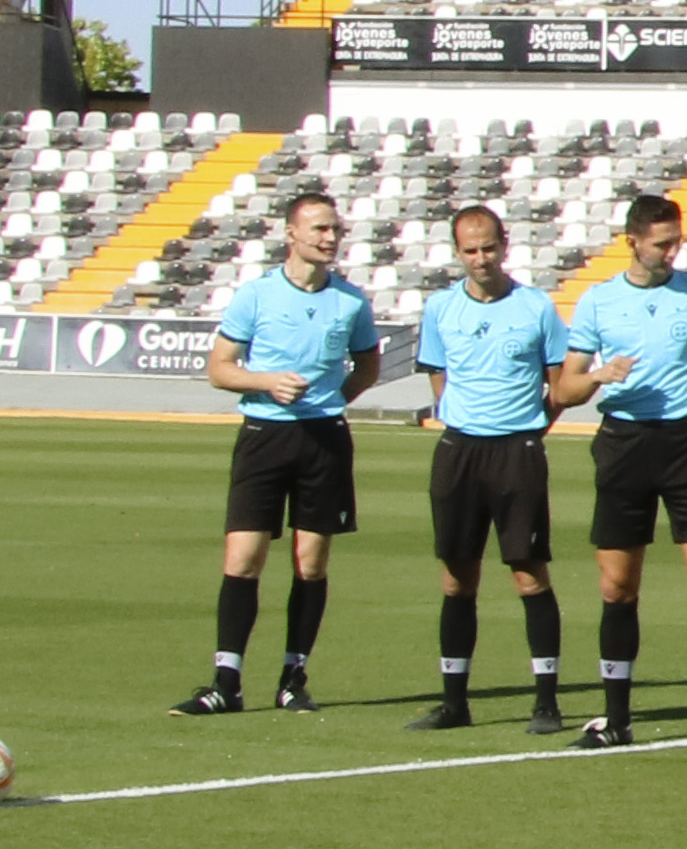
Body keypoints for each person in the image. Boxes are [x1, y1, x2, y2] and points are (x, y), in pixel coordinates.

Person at [568, 191, 687, 750]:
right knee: (617, 585)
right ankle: (615, 717)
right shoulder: (598, 302)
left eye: (677, 241)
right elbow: (565, 388)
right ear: (633, 241)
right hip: (623, 443)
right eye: (662, 243)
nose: (673, 251)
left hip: (686, 446)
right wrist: (601, 375)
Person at [399, 201, 592, 734]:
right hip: (459, 452)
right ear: (457, 252)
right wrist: (464, 423)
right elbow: (440, 382)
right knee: (457, 578)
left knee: (529, 576)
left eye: (489, 248)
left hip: (517, 453)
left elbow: (560, 387)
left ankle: (547, 702)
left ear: (504, 246)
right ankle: (454, 702)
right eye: (470, 250)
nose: (480, 258)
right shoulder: (441, 309)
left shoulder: (535, 308)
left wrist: (527, 430)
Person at [186, 189, 379, 716]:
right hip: (264, 437)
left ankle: (294, 677)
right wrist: (266, 382)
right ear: (290, 234)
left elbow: (367, 365)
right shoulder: (256, 295)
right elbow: (219, 368)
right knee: (243, 559)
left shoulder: (350, 300)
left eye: (334, 229)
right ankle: (226, 682)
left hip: (324, 441)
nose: (330, 237)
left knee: (311, 564)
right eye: (319, 229)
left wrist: (335, 399)